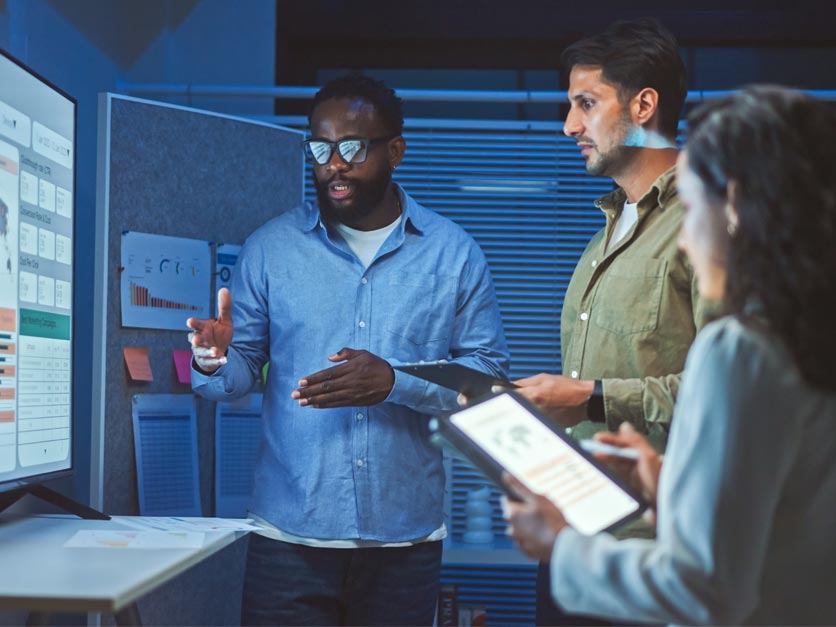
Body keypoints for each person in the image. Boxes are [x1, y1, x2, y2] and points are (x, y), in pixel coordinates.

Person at [504, 85, 836, 625]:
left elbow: (702, 590)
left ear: (731, 206)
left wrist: (560, 544)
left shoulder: (741, 350)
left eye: (693, 203)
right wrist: (671, 483)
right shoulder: (811, 336)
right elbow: (790, 514)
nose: (684, 241)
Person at [187, 74, 509, 626]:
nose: (332, 163)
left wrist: (394, 382)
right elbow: (236, 374)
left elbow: (488, 380)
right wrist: (212, 357)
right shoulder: (271, 250)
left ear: (396, 150)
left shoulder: (453, 255)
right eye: (320, 146)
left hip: (403, 544)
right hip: (289, 539)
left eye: (352, 147)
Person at [506, 18, 709, 624]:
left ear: (644, 105)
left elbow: (729, 395)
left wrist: (592, 398)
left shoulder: (705, 225)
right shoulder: (606, 230)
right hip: (575, 538)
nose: (569, 125)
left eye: (586, 104)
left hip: (653, 556)